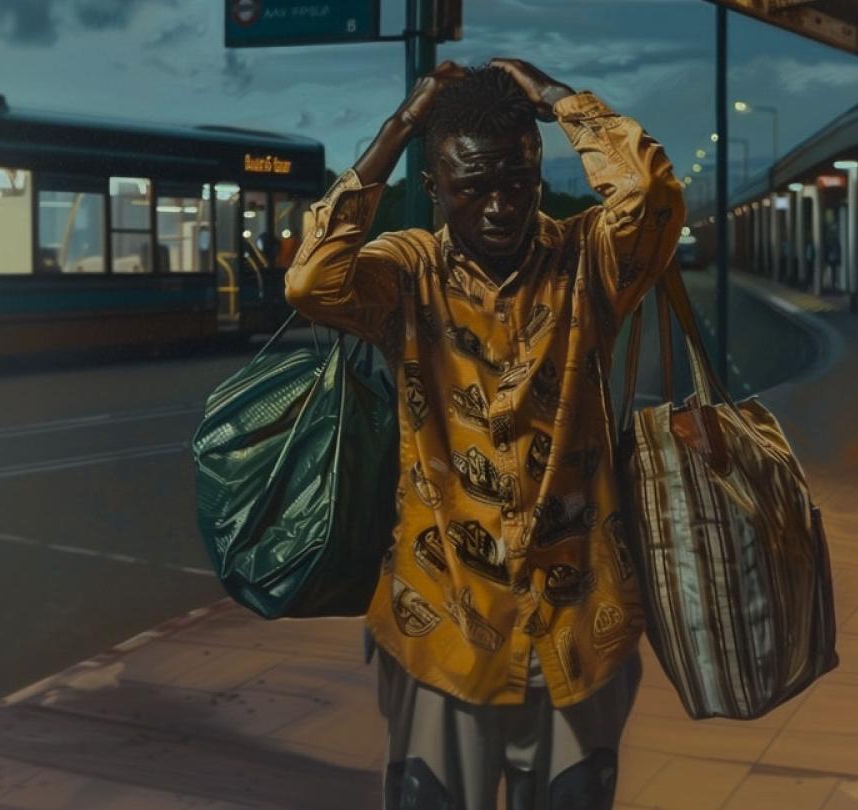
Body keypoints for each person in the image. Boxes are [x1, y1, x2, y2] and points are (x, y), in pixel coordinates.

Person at [286, 58, 685, 810]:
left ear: (536, 173)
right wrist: (401, 126)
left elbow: (653, 197)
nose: (499, 205)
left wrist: (559, 100)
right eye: (473, 188)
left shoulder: (589, 261)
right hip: (443, 628)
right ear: (435, 189)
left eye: (518, 181)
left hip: (577, 625)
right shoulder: (407, 273)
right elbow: (311, 282)